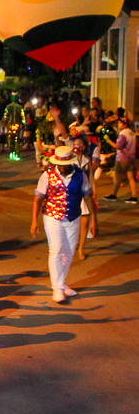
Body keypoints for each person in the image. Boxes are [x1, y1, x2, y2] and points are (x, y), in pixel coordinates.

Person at [31, 145, 98, 303]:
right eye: (58, 164)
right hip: (52, 217)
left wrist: (94, 220)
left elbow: (89, 197)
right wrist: (34, 219)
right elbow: (38, 199)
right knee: (55, 250)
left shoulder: (81, 175)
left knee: (69, 252)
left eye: (63, 164)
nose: (60, 167)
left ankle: (61, 283)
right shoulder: (47, 176)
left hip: (73, 217)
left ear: (70, 162)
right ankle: (57, 288)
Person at [103, 117, 137, 203]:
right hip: (130, 157)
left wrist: (108, 141)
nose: (118, 124)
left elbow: (118, 146)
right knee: (130, 177)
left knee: (118, 177)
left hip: (122, 157)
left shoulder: (123, 134)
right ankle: (134, 196)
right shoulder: (131, 133)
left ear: (125, 124)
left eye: (120, 123)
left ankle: (113, 195)